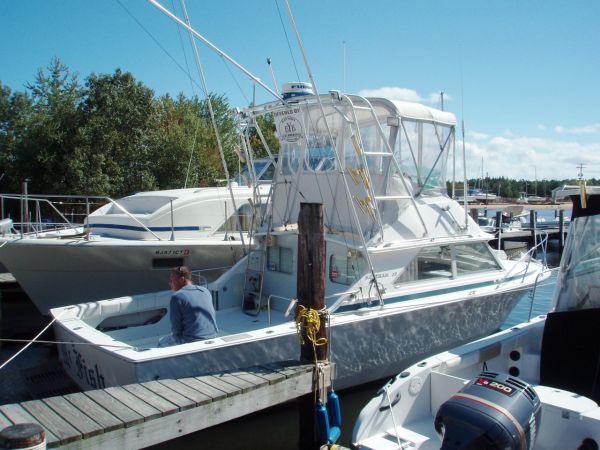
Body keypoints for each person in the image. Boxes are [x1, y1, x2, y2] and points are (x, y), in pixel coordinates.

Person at [158, 266, 218, 347]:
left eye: (172, 280)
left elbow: (176, 330)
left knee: (161, 342)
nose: (170, 283)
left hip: (192, 341)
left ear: (181, 279)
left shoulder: (177, 297)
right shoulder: (205, 291)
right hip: (213, 337)